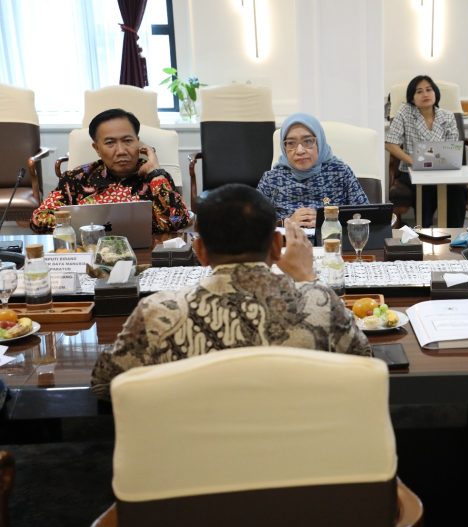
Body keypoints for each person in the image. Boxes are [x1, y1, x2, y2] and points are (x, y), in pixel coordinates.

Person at [91, 184, 370, 399]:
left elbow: (103, 384)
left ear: (200, 251)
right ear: (277, 245)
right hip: (299, 454)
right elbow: (363, 364)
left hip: (194, 456)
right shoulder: (319, 303)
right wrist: (309, 280)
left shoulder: (157, 314)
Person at [30, 108, 190, 234]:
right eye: (110, 143)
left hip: (146, 254)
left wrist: (155, 173)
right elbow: (39, 220)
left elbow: (179, 221)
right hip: (90, 254)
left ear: (138, 142)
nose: (121, 151)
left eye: (128, 141)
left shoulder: (157, 177)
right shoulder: (76, 179)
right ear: (97, 148)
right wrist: (86, 224)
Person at [257, 113, 369, 228]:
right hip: (287, 239)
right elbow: (253, 223)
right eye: (291, 143)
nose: (300, 151)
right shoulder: (271, 179)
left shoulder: (340, 173)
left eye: (308, 141)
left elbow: (366, 217)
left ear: (319, 142)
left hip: (333, 238)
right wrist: (285, 223)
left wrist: (329, 220)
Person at [385, 75, 467, 228]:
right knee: (425, 189)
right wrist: (412, 160)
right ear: (412, 97)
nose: (425, 94)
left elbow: (452, 147)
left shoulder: (447, 116)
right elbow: (390, 144)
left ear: (435, 93)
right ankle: (424, 233)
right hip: (411, 171)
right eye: (419, 91)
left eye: (429, 90)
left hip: (442, 171)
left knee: (457, 190)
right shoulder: (405, 112)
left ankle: (454, 233)